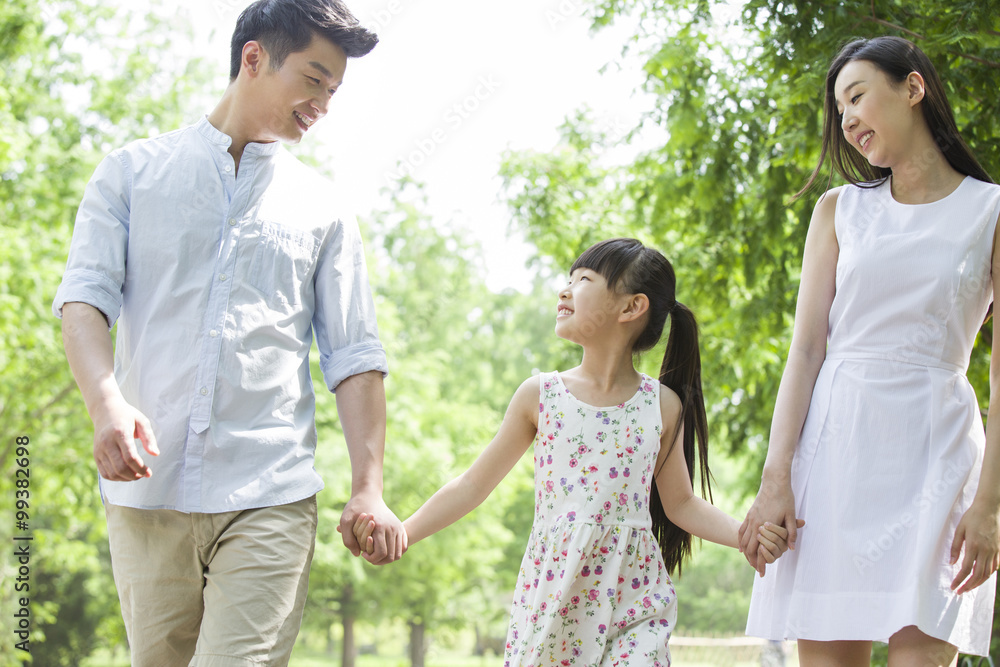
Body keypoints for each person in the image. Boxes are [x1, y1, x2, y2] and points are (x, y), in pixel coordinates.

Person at [52, 1, 405, 664]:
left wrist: (369, 485)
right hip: (146, 491)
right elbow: (84, 303)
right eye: (313, 79)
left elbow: (355, 357)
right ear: (253, 59)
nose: (323, 103)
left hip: (269, 492)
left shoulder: (325, 209)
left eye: (334, 90)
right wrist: (106, 404)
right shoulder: (130, 174)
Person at [350, 238, 799, 666]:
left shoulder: (661, 405)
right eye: (570, 277)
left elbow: (680, 503)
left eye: (584, 279)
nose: (566, 289)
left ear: (631, 307)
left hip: (635, 595)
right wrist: (405, 533)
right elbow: (472, 485)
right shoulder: (539, 396)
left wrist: (746, 535)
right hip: (554, 595)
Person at [740, 36, 1000, 663]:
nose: (848, 118)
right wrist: (776, 479)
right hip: (836, 457)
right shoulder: (839, 211)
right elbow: (804, 354)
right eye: (839, 111)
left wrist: (990, 504)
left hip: (939, 457)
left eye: (857, 96)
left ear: (913, 89)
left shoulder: (990, 211)